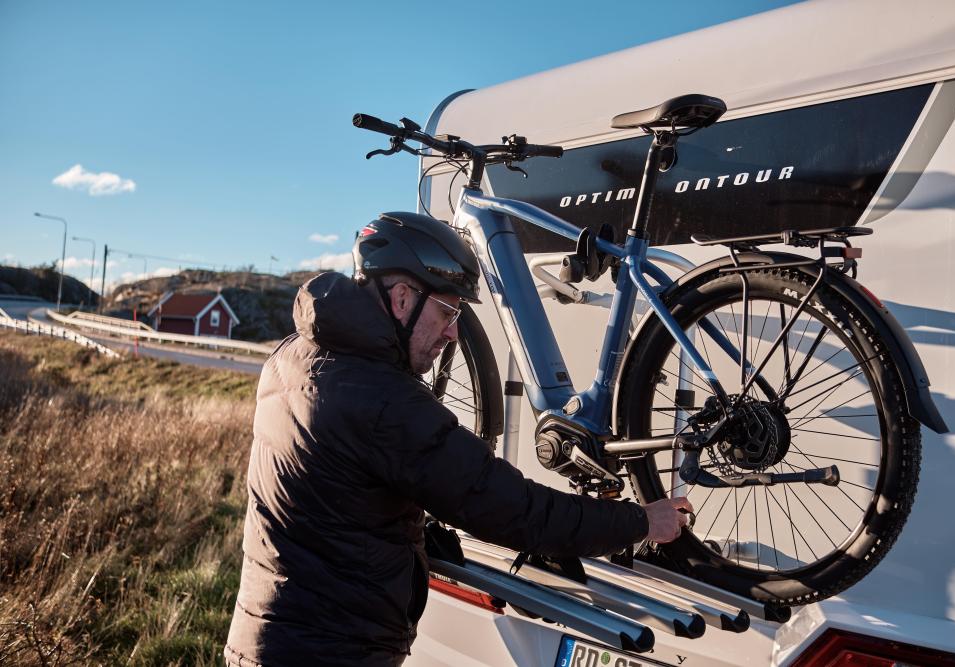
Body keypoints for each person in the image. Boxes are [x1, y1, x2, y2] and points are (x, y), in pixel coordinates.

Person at [225, 212, 694, 667]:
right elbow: (515, 510)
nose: (452, 333)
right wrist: (639, 522)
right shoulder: (383, 400)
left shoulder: (293, 356)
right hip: (329, 651)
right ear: (402, 298)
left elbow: (332, 496)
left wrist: (411, 539)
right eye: (447, 310)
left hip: (268, 633)